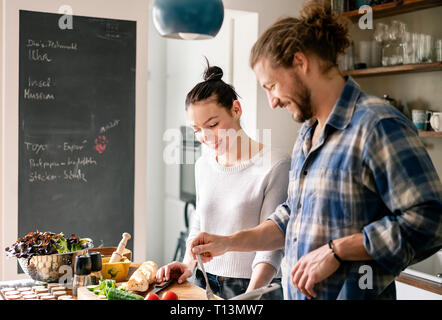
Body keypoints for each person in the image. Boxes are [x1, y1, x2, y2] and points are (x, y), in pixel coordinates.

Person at [190, 0, 442, 300]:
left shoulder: (377, 124)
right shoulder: (308, 134)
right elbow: (289, 217)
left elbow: (430, 221)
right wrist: (228, 242)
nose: (272, 101)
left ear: (300, 62)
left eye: (271, 86)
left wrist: (338, 250)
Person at [156, 60, 291, 299]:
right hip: (203, 281)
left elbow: (272, 243)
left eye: (213, 124)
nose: (205, 137)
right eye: (197, 129)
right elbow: (199, 223)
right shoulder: (203, 166)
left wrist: (250, 297)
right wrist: (189, 264)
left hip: (253, 287)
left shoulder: (275, 164)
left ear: (236, 109)